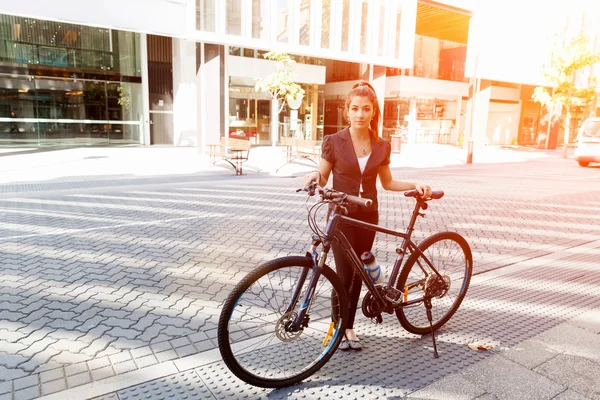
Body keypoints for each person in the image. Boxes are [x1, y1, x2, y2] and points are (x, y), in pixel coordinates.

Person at [304, 81, 432, 351]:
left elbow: (388, 183)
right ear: (347, 111)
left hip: (368, 216)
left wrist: (415, 184)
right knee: (342, 274)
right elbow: (324, 175)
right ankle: (339, 327)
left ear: (373, 112)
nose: (360, 114)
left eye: (366, 109)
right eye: (355, 109)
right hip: (341, 216)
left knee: (359, 274)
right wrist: (315, 176)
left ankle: (349, 328)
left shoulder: (382, 146)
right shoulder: (334, 142)